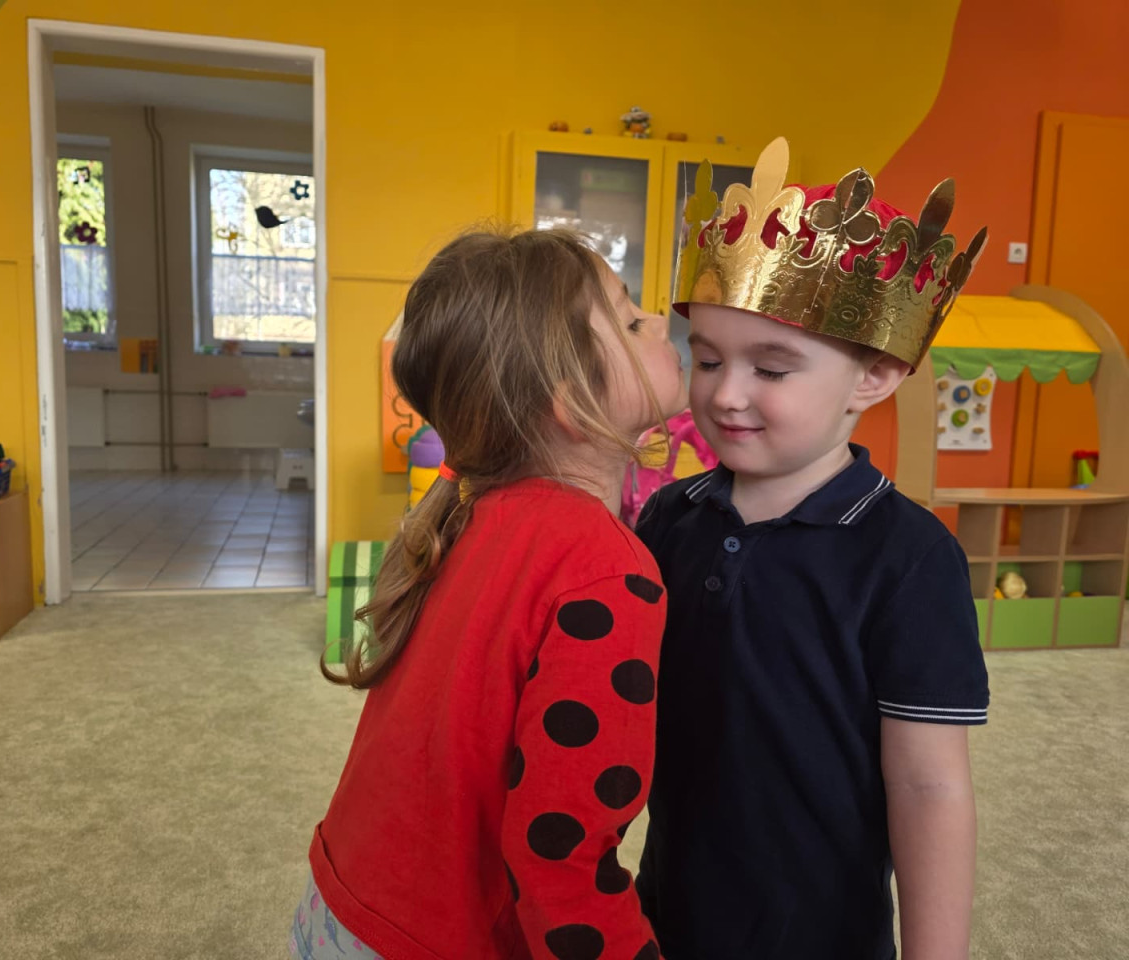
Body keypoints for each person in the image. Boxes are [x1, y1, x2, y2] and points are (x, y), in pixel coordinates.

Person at [635, 138, 991, 960]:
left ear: (874, 376)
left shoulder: (910, 558)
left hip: (824, 937)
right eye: (707, 358)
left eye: (772, 369)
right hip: (665, 915)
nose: (725, 393)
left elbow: (929, 784)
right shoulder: (668, 520)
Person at [294, 227, 687, 960]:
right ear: (572, 401)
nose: (661, 320)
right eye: (632, 320)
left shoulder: (473, 513)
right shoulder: (606, 569)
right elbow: (561, 856)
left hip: (338, 906)